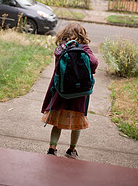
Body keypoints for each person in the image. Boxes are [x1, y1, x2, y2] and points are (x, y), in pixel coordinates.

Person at [41, 22, 98, 159]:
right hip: (79, 92)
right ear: (82, 34)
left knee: (57, 122)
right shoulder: (85, 48)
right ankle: (72, 150)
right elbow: (94, 63)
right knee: (77, 121)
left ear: (64, 34)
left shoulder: (60, 48)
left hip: (61, 90)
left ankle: (52, 148)